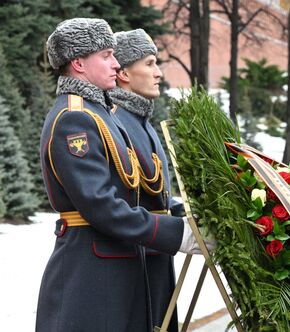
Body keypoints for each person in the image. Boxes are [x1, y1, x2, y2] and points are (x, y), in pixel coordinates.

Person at [37, 18, 207, 331]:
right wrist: (178, 234)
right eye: (106, 56)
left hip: (119, 267)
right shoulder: (74, 118)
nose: (116, 64)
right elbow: (101, 206)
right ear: (78, 63)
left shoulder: (98, 113)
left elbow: (138, 193)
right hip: (91, 276)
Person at [109, 28, 180, 331]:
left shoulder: (141, 120)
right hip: (133, 258)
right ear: (123, 72)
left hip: (156, 257)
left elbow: (158, 195)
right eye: (150, 64)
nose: (159, 73)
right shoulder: (114, 120)